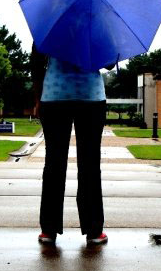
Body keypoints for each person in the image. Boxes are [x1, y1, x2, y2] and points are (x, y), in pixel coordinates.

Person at [30, 44, 108, 245]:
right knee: (90, 164)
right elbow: (107, 63)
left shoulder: (50, 22)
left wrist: (38, 98)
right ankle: (94, 230)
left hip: (55, 95)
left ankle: (48, 230)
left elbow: (37, 64)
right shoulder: (97, 23)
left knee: (54, 163)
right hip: (91, 96)